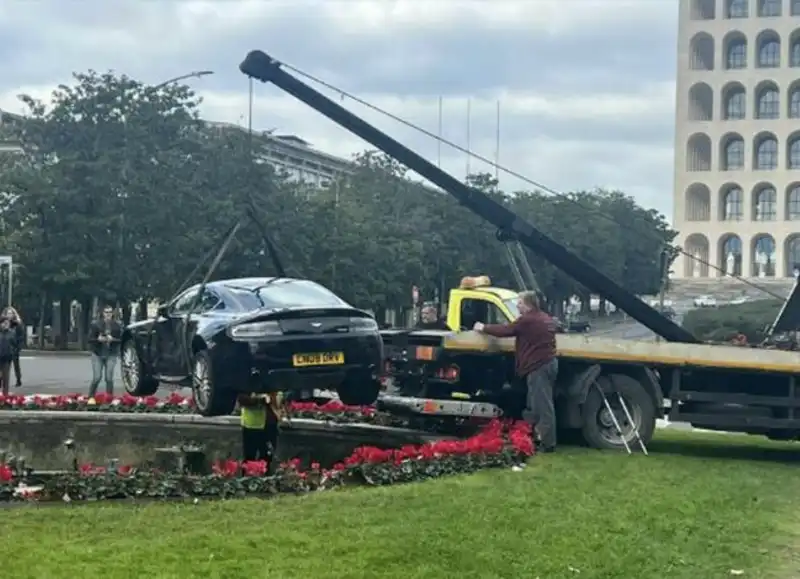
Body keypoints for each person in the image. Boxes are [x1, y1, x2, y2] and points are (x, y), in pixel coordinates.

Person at [473, 290, 559, 453]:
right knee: (534, 405)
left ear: (527, 304)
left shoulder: (528, 320)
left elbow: (506, 330)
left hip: (538, 366)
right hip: (545, 364)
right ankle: (534, 438)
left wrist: (483, 327)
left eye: (519, 303)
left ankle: (548, 444)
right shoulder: (543, 317)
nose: (517, 306)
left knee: (542, 406)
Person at [87, 305, 123, 397]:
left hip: (111, 354)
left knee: (109, 378)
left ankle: (109, 398)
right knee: (97, 377)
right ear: (103, 313)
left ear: (112, 314)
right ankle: (91, 397)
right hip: (97, 354)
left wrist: (113, 339)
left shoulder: (117, 325)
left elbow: (121, 340)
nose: (108, 314)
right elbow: (90, 339)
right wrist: (98, 339)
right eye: (106, 312)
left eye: (110, 312)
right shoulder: (96, 324)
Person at [238, 392, 281, 466]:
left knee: (267, 459)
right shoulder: (246, 383)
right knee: (249, 459)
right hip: (252, 426)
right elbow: (242, 399)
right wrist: (261, 399)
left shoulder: (272, 383)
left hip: (269, 425)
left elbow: (278, 399)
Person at [3, 307, 24, 387]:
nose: (9, 315)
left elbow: (20, 336)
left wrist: (18, 347)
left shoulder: (17, 324)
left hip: (14, 347)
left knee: (16, 365)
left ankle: (18, 379)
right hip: (5, 348)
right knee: (4, 366)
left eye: (11, 313)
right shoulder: (3, 323)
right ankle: (3, 380)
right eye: (8, 313)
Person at [0, 316, 19, 396]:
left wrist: (12, 353)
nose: (6, 325)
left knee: (6, 378)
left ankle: (5, 396)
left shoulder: (12, 333)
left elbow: (15, 345)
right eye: (4, 323)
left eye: (7, 323)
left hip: (7, 359)